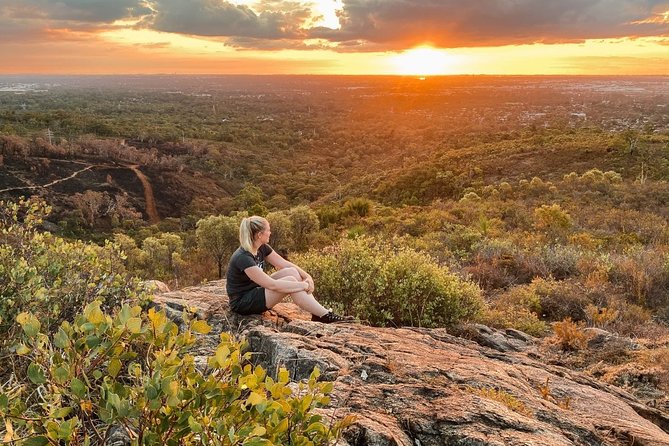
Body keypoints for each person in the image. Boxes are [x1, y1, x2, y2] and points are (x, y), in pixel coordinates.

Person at [226, 215, 349, 323]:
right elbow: (272, 285)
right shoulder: (243, 257)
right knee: (291, 280)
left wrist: (307, 277)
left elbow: (285, 264)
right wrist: (303, 286)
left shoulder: (262, 247)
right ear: (259, 235)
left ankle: (319, 314)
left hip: (255, 290)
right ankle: (325, 315)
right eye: (268, 230)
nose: (270, 233)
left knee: (292, 272)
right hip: (243, 302)